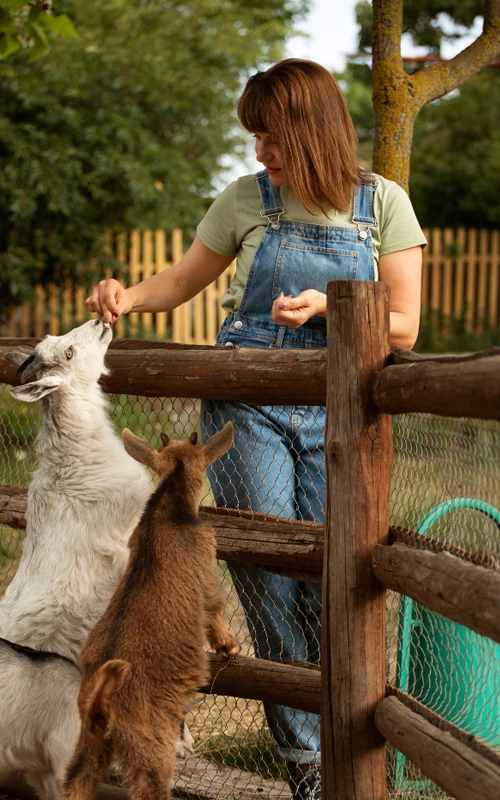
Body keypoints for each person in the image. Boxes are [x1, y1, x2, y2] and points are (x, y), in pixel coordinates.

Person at [86, 58, 426, 800]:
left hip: (344, 416)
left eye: (268, 137)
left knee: (328, 581)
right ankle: (305, 764)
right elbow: (180, 282)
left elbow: (404, 325)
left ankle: (350, 747)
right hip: (250, 409)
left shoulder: (384, 205)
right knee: (267, 577)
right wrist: (125, 294)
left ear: (308, 132)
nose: (258, 152)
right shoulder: (246, 199)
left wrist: (327, 309)